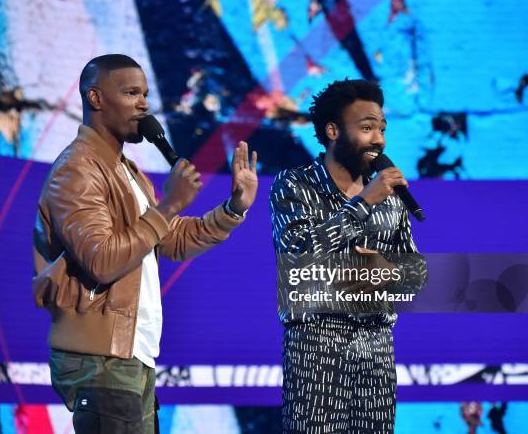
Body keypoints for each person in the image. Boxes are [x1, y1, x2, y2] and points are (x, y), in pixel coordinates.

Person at [32, 54, 258, 433]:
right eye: (132, 92)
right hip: (100, 354)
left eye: (145, 94)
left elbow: (171, 238)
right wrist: (169, 204)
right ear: (96, 99)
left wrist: (234, 208)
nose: (144, 104)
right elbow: (101, 260)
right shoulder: (77, 170)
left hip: (132, 351)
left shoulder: (126, 171)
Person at [270, 79, 426, 433]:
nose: (379, 140)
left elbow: (416, 275)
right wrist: (363, 203)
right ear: (333, 130)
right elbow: (298, 255)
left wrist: (383, 270)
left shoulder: (391, 194)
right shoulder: (295, 185)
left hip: (377, 343)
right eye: (367, 127)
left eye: (382, 128)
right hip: (317, 339)